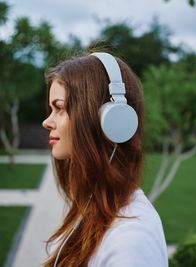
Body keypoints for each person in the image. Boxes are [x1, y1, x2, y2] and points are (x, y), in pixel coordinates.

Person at [42, 51, 168, 267]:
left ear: (108, 120)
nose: (47, 121)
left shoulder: (130, 239)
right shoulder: (93, 205)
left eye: (60, 108)